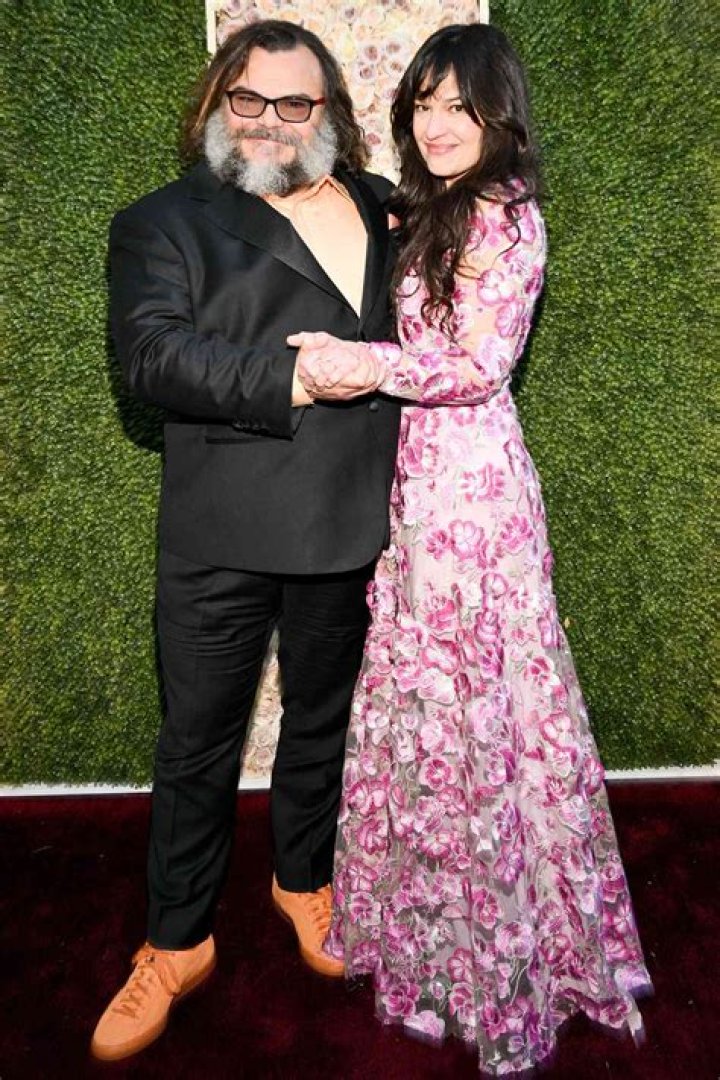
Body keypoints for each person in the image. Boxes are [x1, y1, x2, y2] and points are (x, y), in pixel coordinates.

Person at [289, 22, 652, 1075]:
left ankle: (506, 956)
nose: (439, 125)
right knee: (428, 703)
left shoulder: (508, 216)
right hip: (418, 486)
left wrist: (364, 364)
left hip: (473, 495)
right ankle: (425, 930)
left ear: (501, 118)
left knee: (480, 703)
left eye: (461, 107)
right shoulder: (433, 209)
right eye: (425, 105)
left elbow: (479, 365)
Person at [91, 19, 400, 1063]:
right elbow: (152, 357)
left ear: (330, 113)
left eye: (295, 102)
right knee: (198, 742)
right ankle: (177, 942)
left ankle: (304, 880)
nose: (270, 120)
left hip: (349, 521)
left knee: (323, 719)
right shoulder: (162, 221)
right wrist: (295, 377)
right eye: (248, 98)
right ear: (218, 101)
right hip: (219, 531)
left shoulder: (382, 206)